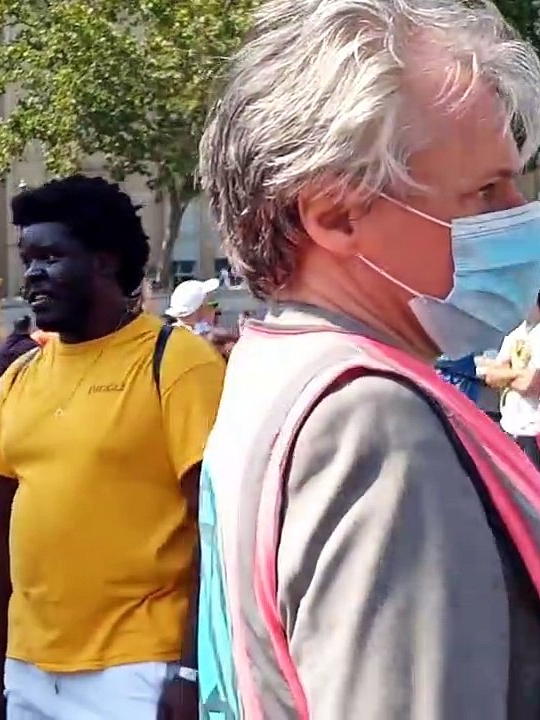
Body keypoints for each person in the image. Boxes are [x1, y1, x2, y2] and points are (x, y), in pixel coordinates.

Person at [195, 1, 540, 716]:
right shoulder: (370, 420)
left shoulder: (283, 366)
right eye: (485, 191)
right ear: (335, 216)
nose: (519, 213)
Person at [0, 176, 224, 720]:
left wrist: (190, 670)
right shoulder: (19, 378)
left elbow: (215, 529)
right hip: (28, 670)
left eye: (51, 256)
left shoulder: (177, 363)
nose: (32, 274)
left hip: (137, 671)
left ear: (105, 262)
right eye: (27, 258)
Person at [481, 292, 540, 467]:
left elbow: (531, 385)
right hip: (508, 427)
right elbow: (490, 377)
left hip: (533, 431)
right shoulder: (515, 333)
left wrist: (505, 374)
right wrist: (519, 373)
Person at [0, 316, 39, 387]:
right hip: (26, 388)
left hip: (5, 389)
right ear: (29, 328)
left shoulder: (1, 347)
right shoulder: (33, 347)